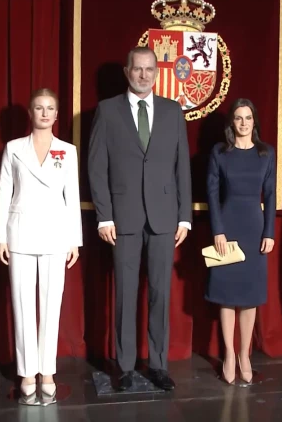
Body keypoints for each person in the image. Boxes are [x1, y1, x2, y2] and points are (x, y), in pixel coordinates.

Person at [88, 46, 192, 391]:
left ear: (156, 72)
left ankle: (158, 365)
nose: (143, 75)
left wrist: (185, 217)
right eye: (137, 69)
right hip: (123, 218)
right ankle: (126, 367)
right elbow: (96, 167)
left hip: (164, 219)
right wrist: (104, 217)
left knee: (161, 294)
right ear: (127, 71)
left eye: (149, 69)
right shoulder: (106, 111)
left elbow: (183, 168)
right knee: (125, 294)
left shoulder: (172, 111)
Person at [0, 88, 82, 405]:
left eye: (50, 108)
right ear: (30, 113)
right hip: (20, 234)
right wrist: (0, 236)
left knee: (51, 305)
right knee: (22, 303)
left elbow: (71, 196)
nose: (45, 113)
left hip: (56, 234)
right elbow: (4, 193)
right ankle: (27, 370)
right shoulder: (14, 149)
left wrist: (75, 239)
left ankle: (47, 370)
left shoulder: (67, 151)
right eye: (39, 108)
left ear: (57, 115)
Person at [205, 98, 276, 384]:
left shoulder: (266, 153)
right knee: (226, 295)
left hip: (255, 228)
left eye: (248, 118)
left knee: (249, 296)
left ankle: (245, 353)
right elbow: (211, 192)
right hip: (227, 226)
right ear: (231, 122)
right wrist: (217, 230)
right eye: (238, 118)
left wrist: (269, 232)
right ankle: (228, 354)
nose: (244, 123)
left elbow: (270, 195)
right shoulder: (220, 152)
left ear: (254, 121)